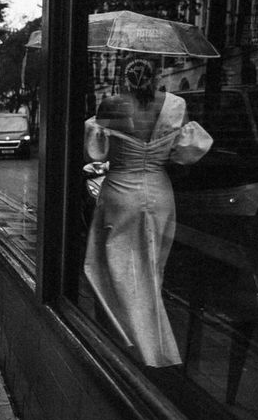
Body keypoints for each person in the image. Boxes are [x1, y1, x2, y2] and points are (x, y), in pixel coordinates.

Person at [82, 56, 212, 367]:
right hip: (158, 191)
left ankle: (122, 343)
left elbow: (95, 152)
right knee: (151, 270)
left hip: (119, 193)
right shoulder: (176, 105)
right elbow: (182, 156)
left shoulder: (111, 104)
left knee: (113, 269)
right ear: (157, 74)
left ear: (124, 75)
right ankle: (151, 345)